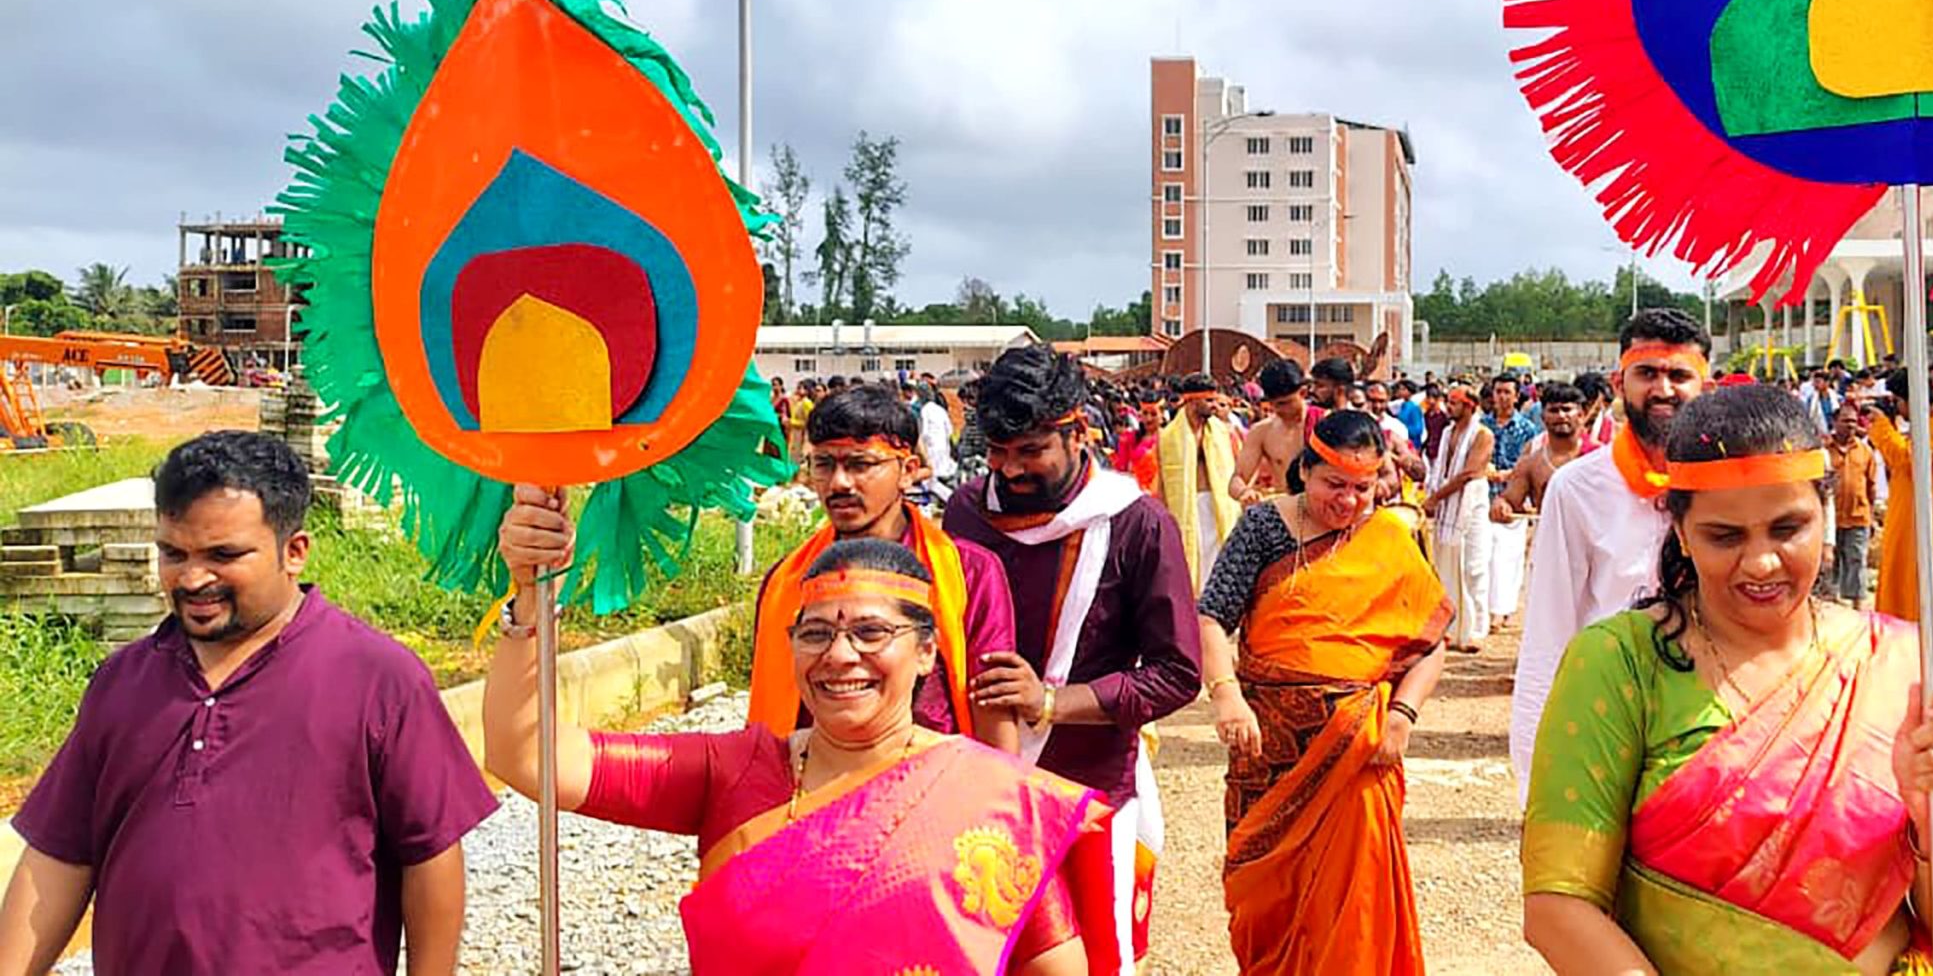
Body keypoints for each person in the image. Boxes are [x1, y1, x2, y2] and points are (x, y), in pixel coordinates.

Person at [1522, 386, 1933, 974]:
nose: (1760, 562)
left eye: (1787, 529)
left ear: (1824, 516)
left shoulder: (1904, 669)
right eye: (1724, 536)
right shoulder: (1621, 663)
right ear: (1681, 533)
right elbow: (1558, 906)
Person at [490, 510, 1115, 974]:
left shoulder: (992, 798)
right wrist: (529, 598)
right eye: (815, 633)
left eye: (871, 632)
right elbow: (528, 756)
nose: (839, 655)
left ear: (927, 651)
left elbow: (1055, 967)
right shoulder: (733, 770)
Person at [0, 431, 495, 975]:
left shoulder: (378, 679)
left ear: (294, 552)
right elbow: (59, 856)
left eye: (223, 555)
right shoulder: (122, 683)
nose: (192, 578)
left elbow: (431, 858)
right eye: (173, 553)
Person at [946, 344, 1204, 973]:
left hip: (1087, 787)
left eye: (1030, 451)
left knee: (1089, 957)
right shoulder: (966, 513)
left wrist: (1050, 702)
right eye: (997, 452)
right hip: (976, 782)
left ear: (1078, 430)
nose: (1010, 470)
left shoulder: (1138, 524)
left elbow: (1177, 673)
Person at [1197, 412, 1451, 974]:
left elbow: (1431, 645)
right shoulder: (1263, 528)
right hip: (1268, 746)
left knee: (1353, 906)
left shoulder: (1389, 537)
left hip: (1360, 753)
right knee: (1264, 895)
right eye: (1334, 484)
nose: (1349, 501)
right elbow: (1211, 617)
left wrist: (1402, 716)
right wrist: (1226, 695)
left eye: (1363, 488)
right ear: (1304, 470)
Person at [745, 386, 1019, 751]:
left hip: (935, 776)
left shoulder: (970, 572)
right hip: (818, 778)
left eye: (860, 464)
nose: (839, 483)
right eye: (824, 464)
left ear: (908, 471)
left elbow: (992, 701)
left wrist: (1002, 783)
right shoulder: (788, 580)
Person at [1509, 308, 1711, 800]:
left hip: (1711, 715)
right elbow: (1549, 630)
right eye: (1647, 374)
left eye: (1679, 375)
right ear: (1620, 383)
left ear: (1705, 386)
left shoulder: (1729, 482)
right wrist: (1536, 772)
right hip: (1613, 713)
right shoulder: (1578, 488)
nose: (1663, 389)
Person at [1866, 374, 1933, 634]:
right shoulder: (1928, 422)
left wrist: (1882, 428)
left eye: (1897, 402)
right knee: (1901, 584)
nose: (1896, 408)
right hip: (1912, 516)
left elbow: (1906, 460)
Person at [1153, 373, 1242, 592]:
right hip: (1185, 507)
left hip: (1220, 505)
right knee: (1191, 563)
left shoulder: (1225, 432)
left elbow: (1238, 467)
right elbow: (1162, 480)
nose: (1214, 406)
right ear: (1191, 400)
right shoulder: (1167, 437)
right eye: (1209, 400)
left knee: (1220, 563)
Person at [1425, 380, 1496, 653]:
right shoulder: (1447, 433)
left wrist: (1435, 498)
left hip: (1471, 503)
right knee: (1447, 566)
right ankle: (1452, 630)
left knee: (1472, 567)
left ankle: (1475, 631)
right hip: (1448, 504)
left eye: (1454, 403)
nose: (1448, 407)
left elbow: (1469, 473)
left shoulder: (1483, 434)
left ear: (1470, 406)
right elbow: (1440, 468)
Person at [1481, 374, 1542, 630]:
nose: (1502, 397)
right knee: (1485, 557)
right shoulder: (1482, 425)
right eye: (1498, 392)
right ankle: (1488, 608)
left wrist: (1510, 475)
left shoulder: (1527, 429)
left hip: (1514, 501)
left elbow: (1531, 462)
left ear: (1517, 396)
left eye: (1507, 392)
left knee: (1508, 558)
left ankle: (1502, 609)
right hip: (1484, 498)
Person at [1493, 380, 1591, 524]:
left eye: (1566, 409)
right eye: (1553, 410)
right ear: (1543, 417)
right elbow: (1509, 500)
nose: (1561, 415)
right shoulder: (1530, 464)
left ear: (1581, 415)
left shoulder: (1597, 457)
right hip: (1549, 536)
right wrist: (1501, 506)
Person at [1233, 359, 1316, 503]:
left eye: (1284, 403)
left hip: (1322, 508)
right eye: (1273, 404)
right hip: (1286, 507)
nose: (1278, 410)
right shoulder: (1261, 431)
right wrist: (1245, 492)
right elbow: (1237, 479)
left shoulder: (1323, 422)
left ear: (1303, 393)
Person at [1828, 401, 1877, 606]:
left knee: (1856, 559)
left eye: (1854, 422)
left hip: (1858, 516)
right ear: (1834, 422)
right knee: (1830, 562)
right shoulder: (1823, 451)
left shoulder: (1865, 451)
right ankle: (1829, 603)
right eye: (1846, 421)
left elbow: (1871, 486)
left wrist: (1871, 517)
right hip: (1830, 519)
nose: (1850, 425)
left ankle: (1857, 606)